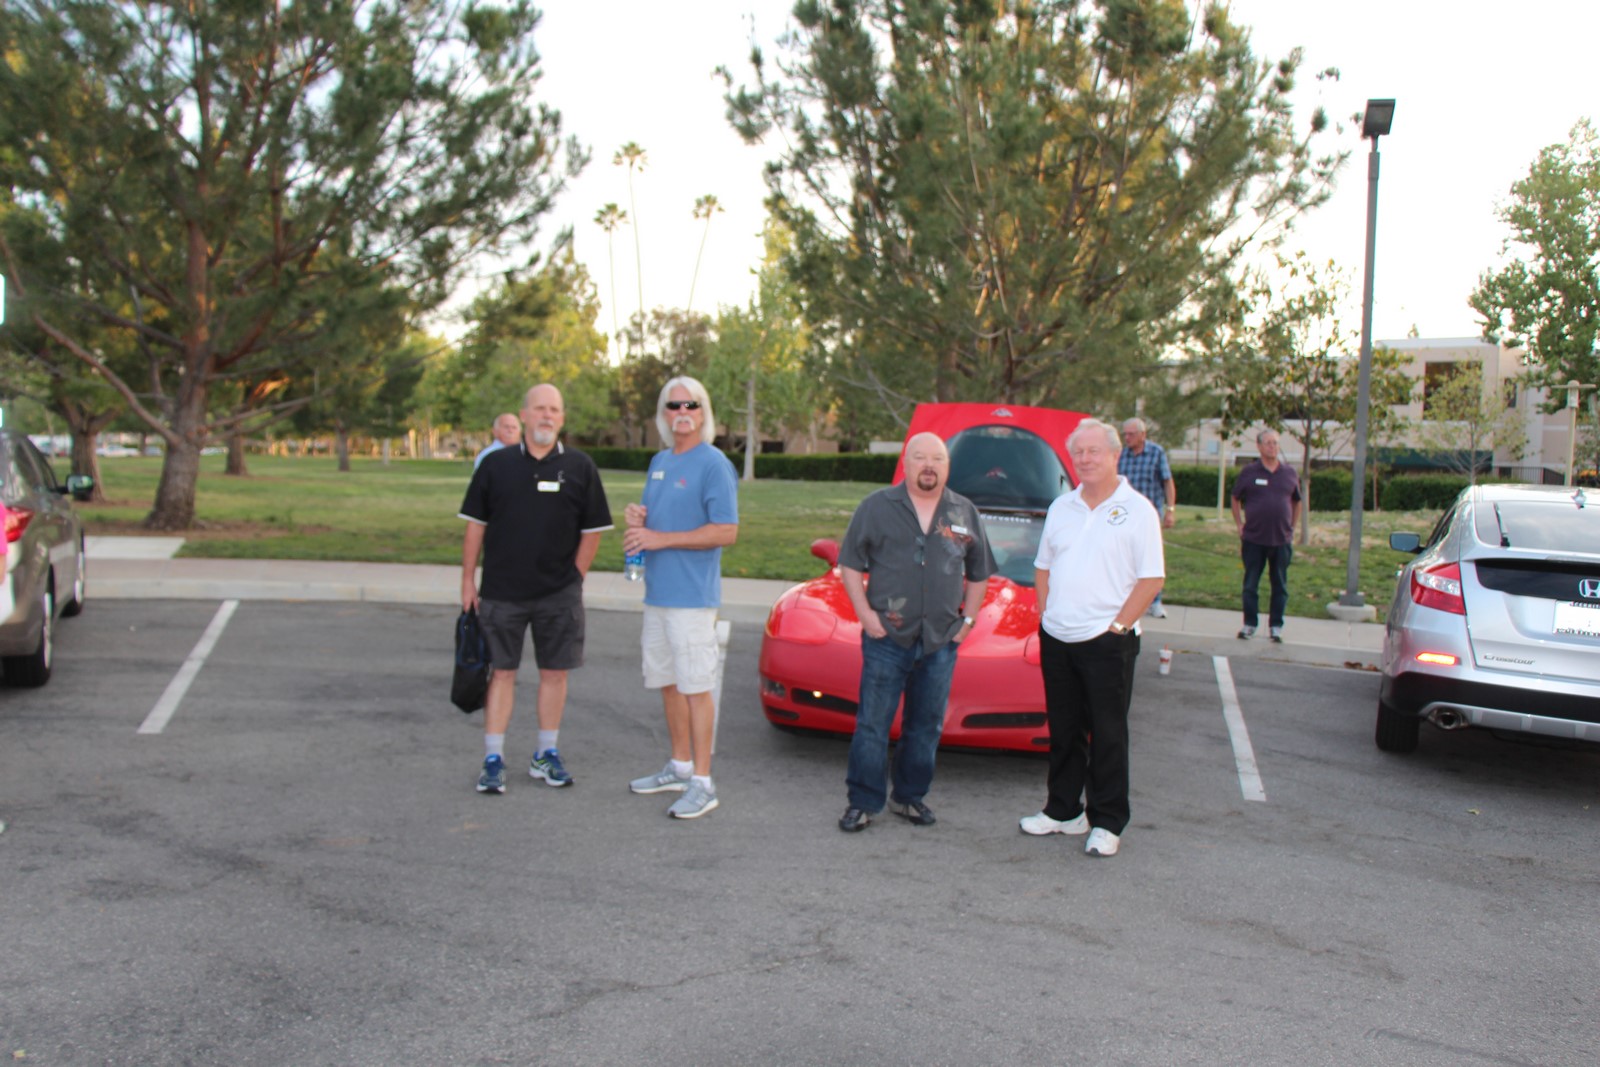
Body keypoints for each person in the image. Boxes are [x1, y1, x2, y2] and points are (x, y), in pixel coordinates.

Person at [835, 432, 995, 833]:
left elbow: (979, 573)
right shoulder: (876, 507)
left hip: (940, 640)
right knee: (872, 724)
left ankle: (908, 797)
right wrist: (866, 616)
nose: (929, 465)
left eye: (937, 459)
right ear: (905, 464)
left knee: (925, 726)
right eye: (920, 457)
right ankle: (863, 801)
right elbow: (850, 563)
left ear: (947, 466)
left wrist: (968, 623)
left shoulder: (964, 511)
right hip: (886, 636)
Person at [459, 384, 613, 794]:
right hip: (501, 591)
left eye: (555, 410)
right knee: (502, 674)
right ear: (523, 415)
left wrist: (575, 578)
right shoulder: (496, 465)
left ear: (562, 419)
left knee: (554, 674)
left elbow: (593, 531)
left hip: (558, 593)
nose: (547, 416)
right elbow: (476, 526)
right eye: (539, 409)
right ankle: (493, 759)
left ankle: (546, 753)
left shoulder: (581, 467)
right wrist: (467, 581)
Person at [1021, 418, 1164, 858]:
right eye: (1078, 452)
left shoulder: (1137, 509)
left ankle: (1107, 821)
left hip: (1107, 642)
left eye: (1093, 451)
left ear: (1115, 454)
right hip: (1058, 638)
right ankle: (1063, 811)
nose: (1084, 459)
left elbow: (1151, 578)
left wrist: (1117, 627)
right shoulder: (1062, 507)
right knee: (1064, 731)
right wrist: (1047, 614)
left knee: (1108, 734)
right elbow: (1043, 566)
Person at [623, 377, 739, 820]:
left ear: (704, 411)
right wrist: (639, 517)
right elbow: (656, 520)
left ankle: (703, 783)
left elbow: (726, 530)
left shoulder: (713, 464)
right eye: (673, 405)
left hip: (692, 599)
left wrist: (659, 538)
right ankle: (679, 765)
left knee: (695, 687)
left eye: (691, 403)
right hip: (658, 594)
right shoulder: (660, 461)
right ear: (663, 413)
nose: (682, 411)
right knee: (669, 683)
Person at [1230, 428, 1302, 643]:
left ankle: (1276, 626)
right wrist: (1239, 524)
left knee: (1279, 584)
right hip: (1254, 539)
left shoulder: (1289, 473)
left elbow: (1297, 500)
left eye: (1276, 443)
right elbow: (1235, 498)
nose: (1273, 447)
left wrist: (1292, 527)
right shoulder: (1249, 472)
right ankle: (1250, 624)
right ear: (1260, 446)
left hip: (1281, 539)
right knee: (1251, 584)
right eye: (1269, 443)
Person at [1118, 417, 1177, 618]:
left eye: (1131, 434)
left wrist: (1170, 509)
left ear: (1143, 435)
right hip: (1124, 515)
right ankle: (1127, 600)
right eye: (1125, 434)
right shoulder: (1121, 455)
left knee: (1150, 557)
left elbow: (1167, 482)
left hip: (1149, 515)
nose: (1127, 438)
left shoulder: (1156, 453)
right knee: (1125, 557)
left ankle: (1155, 601)